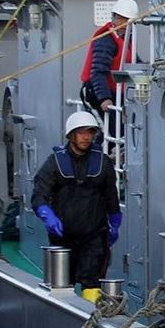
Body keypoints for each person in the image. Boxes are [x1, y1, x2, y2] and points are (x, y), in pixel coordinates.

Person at [31, 111, 121, 300]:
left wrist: (115, 222)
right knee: (63, 284)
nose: (86, 137)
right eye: (81, 132)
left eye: (90, 133)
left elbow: (111, 196)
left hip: (95, 236)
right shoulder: (55, 162)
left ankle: (91, 320)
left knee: (92, 282)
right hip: (62, 237)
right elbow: (39, 195)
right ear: (71, 135)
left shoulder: (102, 163)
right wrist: (47, 215)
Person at [80, 0, 138, 122]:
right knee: (109, 132)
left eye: (127, 19)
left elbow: (136, 63)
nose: (123, 23)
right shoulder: (106, 40)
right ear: (113, 18)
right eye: (120, 18)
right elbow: (97, 72)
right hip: (96, 93)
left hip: (116, 93)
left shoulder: (125, 39)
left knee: (119, 131)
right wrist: (104, 98)